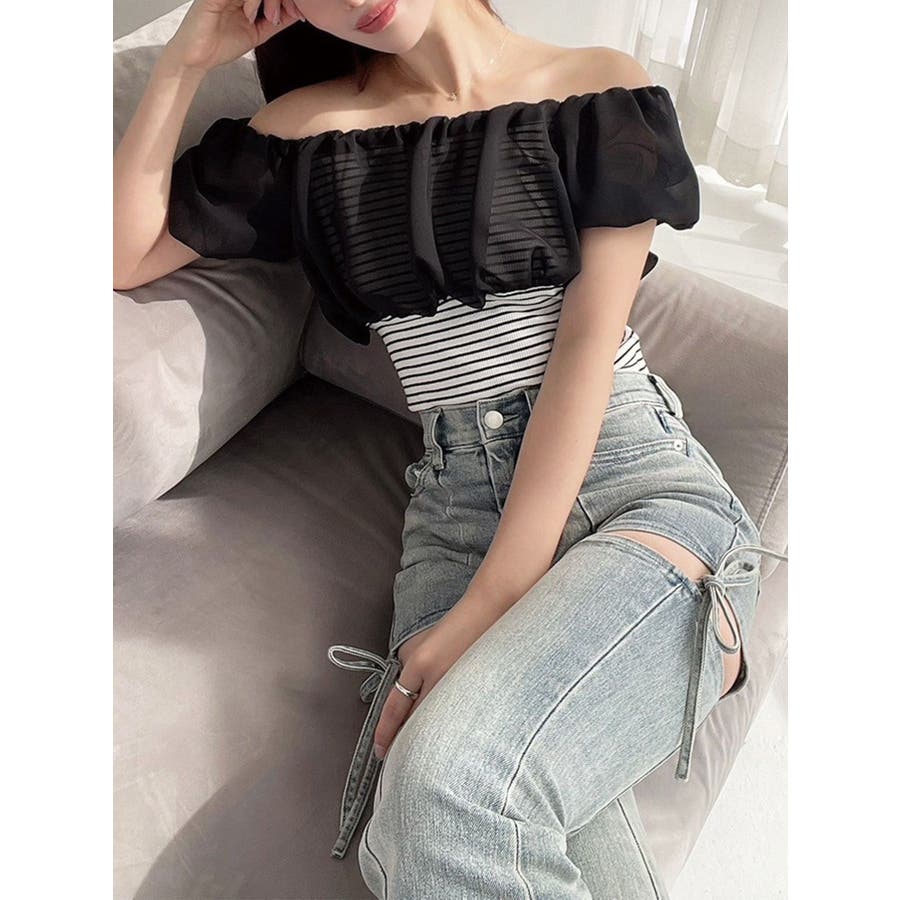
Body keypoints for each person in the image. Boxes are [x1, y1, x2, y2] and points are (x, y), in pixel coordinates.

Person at [113, 1, 788, 896]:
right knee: (436, 822)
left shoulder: (598, 89)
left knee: (443, 791)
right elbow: (122, 256)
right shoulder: (305, 130)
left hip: (633, 484)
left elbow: (585, 349)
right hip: (456, 516)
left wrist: (486, 606)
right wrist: (184, 62)